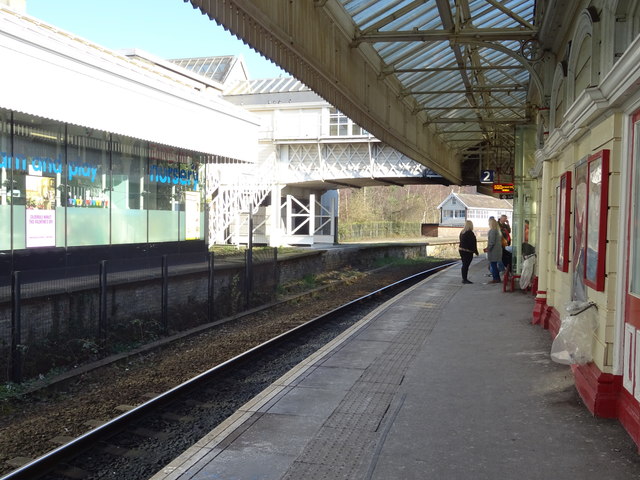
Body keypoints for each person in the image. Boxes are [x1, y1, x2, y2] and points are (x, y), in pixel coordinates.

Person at [484, 217, 503, 283]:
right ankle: (497, 278)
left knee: (493, 265)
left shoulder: (492, 231)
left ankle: (496, 278)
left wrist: (488, 248)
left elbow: (492, 242)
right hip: (498, 250)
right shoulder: (498, 231)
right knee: (494, 265)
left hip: (493, 251)